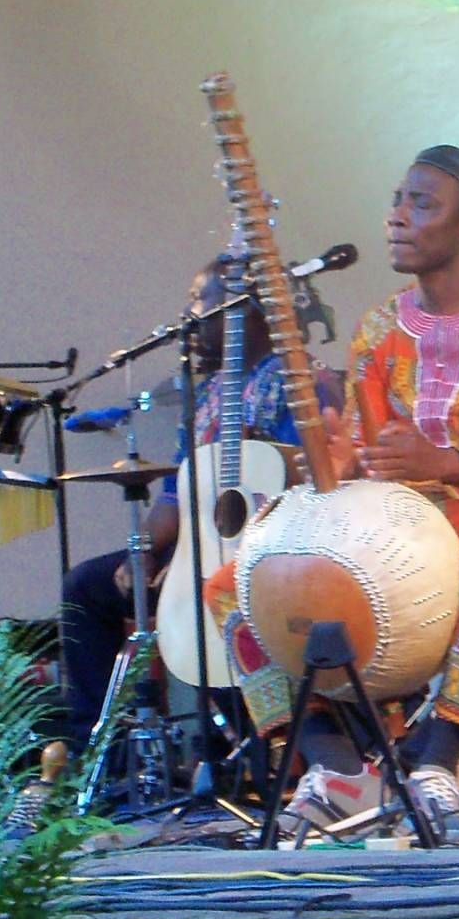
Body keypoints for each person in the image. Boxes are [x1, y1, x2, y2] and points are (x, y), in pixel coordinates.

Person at [275, 145, 459, 841]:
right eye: (397, 201)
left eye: (421, 204)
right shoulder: (380, 327)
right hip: (407, 512)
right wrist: (335, 455)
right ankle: (340, 768)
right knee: (245, 578)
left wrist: (447, 458)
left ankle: (438, 759)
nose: (397, 218)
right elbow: (371, 450)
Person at [54, 254, 342, 747]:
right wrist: (143, 548)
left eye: (198, 301)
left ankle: (266, 745)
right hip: (199, 550)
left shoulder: (303, 383)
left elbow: (317, 484)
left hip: (275, 557)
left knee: (217, 595)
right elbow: (175, 495)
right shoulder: (208, 394)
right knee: (86, 586)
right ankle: (105, 750)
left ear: (241, 308)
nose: (189, 317)